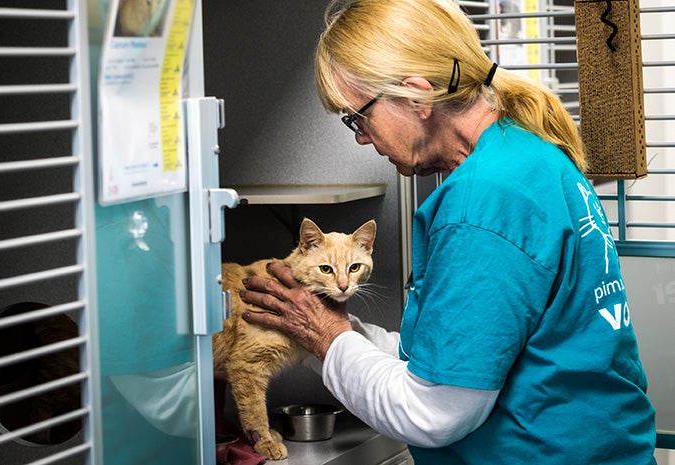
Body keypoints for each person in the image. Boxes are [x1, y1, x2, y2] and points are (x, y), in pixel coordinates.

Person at [239, 0, 658, 463]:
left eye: (358, 117)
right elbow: (462, 353)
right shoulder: (528, 154)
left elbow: (434, 413)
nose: (360, 136)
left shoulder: (481, 202)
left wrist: (326, 336)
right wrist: (336, 327)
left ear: (417, 96)